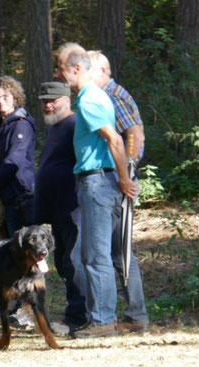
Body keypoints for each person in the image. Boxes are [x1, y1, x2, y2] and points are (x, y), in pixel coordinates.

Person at [55, 43, 138, 338]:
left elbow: (116, 140)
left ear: (76, 69)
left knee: (95, 255)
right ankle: (123, 316)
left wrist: (124, 179)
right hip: (103, 182)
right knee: (111, 253)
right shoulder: (98, 96)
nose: (58, 74)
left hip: (97, 183)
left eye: (61, 68)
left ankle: (102, 320)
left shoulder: (89, 101)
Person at [87, 50, 149, 332]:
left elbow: (135, 134)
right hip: (113, 178)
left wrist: (128, 169)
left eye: (89, 70)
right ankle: (135, 315)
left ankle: (136, 315)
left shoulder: (114, 95)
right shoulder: (102, 96)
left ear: (102, 70)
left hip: (116, 180)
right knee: (117, 250)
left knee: (120, 251)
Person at [33, 81, 88, 334]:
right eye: (44, 100)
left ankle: (80, 316)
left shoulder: (75, 124)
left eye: (52, 100)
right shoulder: (56, 127)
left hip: (73, 208)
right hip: (57, 210)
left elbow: (84, 163)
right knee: (63, 261)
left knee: (73, 262)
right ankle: (73, 313)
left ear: (67, 100)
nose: (48, 104)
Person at [0, 76, 36, 236]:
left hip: (20, 197)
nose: (0, 101)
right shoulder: (2, 123)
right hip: (3, 197)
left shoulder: (21, 124)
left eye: (5, 97)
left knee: (23, 249)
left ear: (15, 97)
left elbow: (12, 163)